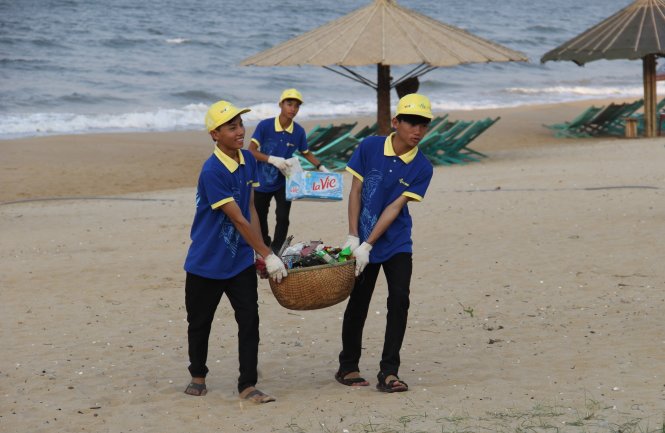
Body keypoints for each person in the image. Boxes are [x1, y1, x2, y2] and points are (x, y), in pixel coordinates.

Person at [183, 100, 287, 403]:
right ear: (215, 134)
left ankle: (247, 384)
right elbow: (236, 218)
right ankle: (198, 376)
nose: (240, 131)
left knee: (250, 319)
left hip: (239, 259)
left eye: (241, 125)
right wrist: (268, 254)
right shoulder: (212, 170)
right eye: (232, 127)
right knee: (200, 322)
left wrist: (259, 250)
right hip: (206, 261)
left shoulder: (247, 159)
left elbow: (250, 208)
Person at [335, 93, 434, 393]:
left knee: (399, 301)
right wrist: (354, 237)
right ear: (396, 122)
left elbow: (394, 208)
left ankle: (389, 372)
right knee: (359, 303)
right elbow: (355, 191)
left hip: (396, 242)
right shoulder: (369, 147)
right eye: (411, 123)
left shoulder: (422, 167)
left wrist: (371, 244)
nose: (417, 130)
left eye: (423, 124)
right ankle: (348, 366)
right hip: (362, 236)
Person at [249, 88, 329, 253]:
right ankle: (265, 242)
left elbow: (305, 152)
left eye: (297, 106)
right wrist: (272, 159)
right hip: (261, 180)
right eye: (289, 104)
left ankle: (277, 248)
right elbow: (251, 151)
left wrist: (321, 167)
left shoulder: (298, 131)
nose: (293, 108)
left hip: (285, 180)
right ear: (281, 105)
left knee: (283, 218)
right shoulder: (265, 126)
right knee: (260, 216)